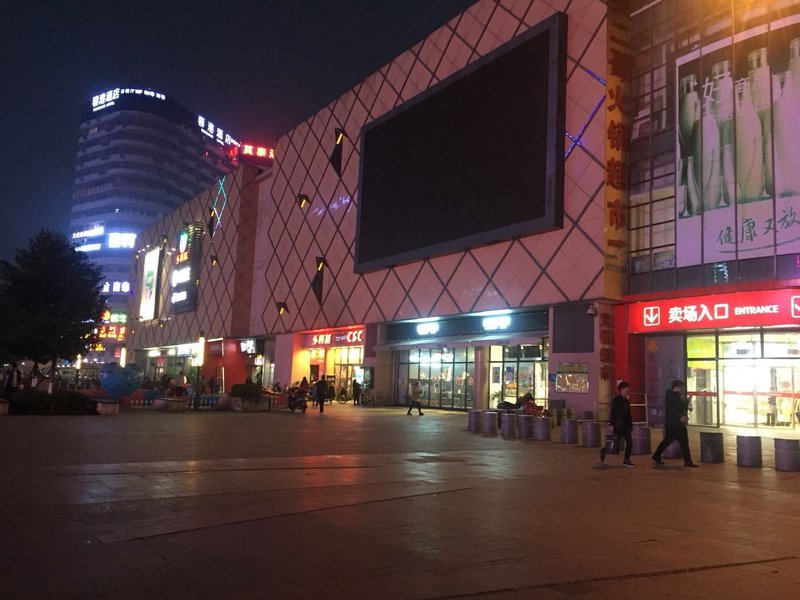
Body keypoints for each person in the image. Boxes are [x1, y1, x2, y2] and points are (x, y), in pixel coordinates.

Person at [652, 379, 698, 467]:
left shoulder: (675, 396)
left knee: (669, 441)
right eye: (681, 388)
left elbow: (681, 406)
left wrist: (687, 401)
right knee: (681, 442)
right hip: (674, 424)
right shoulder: (671, 397)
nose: (682, 390)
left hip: (673, 423)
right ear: (677, 387)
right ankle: (687, 461)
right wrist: (681, 417)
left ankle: (657, 456)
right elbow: (672, 410)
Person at [601, 381, 635, 468]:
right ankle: (604, 450)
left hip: (625, 426)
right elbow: (613, 413)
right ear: (621, 390)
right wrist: (612, 424)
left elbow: (628, 414)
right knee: (615, 444)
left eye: (628, 389)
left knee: (630, 442)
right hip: (618, 426)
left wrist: (630, 425)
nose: (628, 391)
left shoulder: (626, 401)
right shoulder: (616, 400)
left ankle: (626, 460)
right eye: (627, 389)